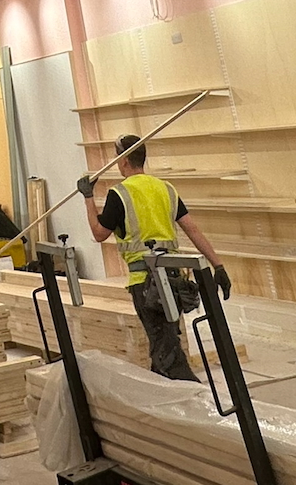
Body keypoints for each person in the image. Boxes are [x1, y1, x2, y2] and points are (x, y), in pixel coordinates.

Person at [79, 135, 232, 382]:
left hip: (145, 282)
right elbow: (192, 229)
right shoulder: (166, 188)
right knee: (165, 342)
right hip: (173, 279)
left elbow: (99, 233)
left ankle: (190, 395)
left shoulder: (120, 193)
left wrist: (88, 197)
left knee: (166, 353)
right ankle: (166, 389)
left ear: (123, 160)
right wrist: (218, 265)